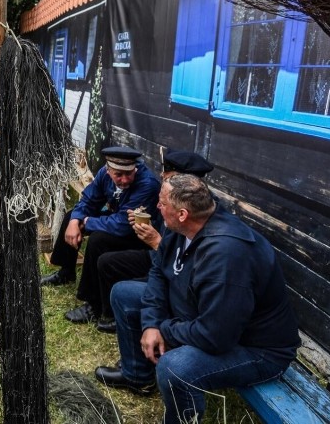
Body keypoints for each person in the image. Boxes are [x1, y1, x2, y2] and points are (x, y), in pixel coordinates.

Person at [97, 174, 299, 424]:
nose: (157, 207)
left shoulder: (227, 255)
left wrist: (164, 330)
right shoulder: (181, 227)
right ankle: (137, 376)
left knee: (175, 367)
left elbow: (215, 336)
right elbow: (159, 272)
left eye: (162, 203)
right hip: (203, 316)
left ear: (182, 213)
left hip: (257, 349)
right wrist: (150, 324)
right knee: (124, 294)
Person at [93, 149, 214, 334]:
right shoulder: (174, 201)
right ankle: (108, 312)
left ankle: (134, 320)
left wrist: (157, 241)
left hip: (175, 275)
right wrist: (148, 224)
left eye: (168, 176)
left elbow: (182, 268)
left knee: (126, 287)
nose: (162, 176)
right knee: (107, 259)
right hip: (160, 257)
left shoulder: (200, 215)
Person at [41, 146, 160, 325]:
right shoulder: (104, 174)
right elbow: (89, 199)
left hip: (139, 235)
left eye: (129, 174)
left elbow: (122, 225)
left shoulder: (147, 184)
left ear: (135, 168)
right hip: (119, 220)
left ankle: (93, 304)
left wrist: (87, 222)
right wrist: (76, 221)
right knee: (71, 217)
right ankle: (66, 271)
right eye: (118, 175)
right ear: (108, 169)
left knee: (98, 239)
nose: (124, 179)